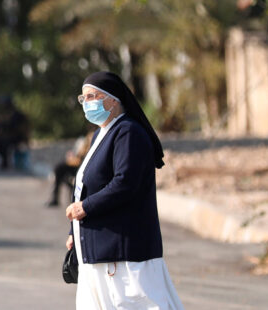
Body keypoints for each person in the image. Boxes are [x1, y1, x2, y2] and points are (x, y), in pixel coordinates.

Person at [65, 71, 183, 309]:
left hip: (124, 253)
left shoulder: (128, 132)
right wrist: (73, 231)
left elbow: (125, 183)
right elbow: (86, 185)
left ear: (112, 99)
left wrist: (85, 208)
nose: (86, 103)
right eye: (83, 98)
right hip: (98, 250)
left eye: (92, 97)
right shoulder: (102, 133)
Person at [46, 129, 94, 207]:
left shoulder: (92, 147)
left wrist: (73, 160)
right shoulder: (84, 145)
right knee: (59, 169)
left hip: (81, 169)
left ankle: (60, 198)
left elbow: (79, 161)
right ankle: (55, 198)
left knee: (61, 171)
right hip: (76, 166)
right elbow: (77, 158)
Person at [0, 96, 29, 170]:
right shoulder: (8, 114)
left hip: (19, 138)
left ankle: (4, 162)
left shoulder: (17, 115)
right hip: (14, 137)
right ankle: (3, 161)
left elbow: (15, 129)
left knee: (2, 142)